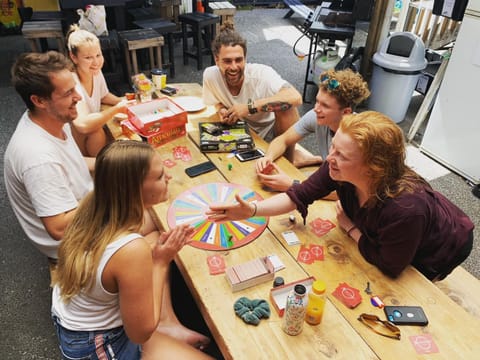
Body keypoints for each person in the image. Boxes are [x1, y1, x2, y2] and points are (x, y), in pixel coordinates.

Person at [207, 111, 474, 281]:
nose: (328, 159)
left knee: (417, 283)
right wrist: (252, 210)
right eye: (332, 148)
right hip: (403, 230)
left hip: (443, 245)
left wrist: (351, 228)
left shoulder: (405, 209)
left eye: (341, 155)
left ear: (373, 167)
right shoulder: (337, 170)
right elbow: (299, 194)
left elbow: (390, 265)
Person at [52, 140, 212, 359]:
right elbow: (140, 333)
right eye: (158, 176)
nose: (168, 178)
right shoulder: (130, 249)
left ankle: (166, 325)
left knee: (154, 237)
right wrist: (161, 261)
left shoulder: (94, 204)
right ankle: (161, 328)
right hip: (97, 343)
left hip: (72, 322)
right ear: (133, 189)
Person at [5, 51, 94, 260]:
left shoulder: (48, 120)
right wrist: (110, 193)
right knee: (156, 219)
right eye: (68, 93)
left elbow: (69, 165)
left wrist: (112, 164)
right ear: (39, 101)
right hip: (74, 244)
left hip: (82, 210)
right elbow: (59, 228)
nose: (78, 97)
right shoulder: (37, 156)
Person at [256, 69, 370, 192]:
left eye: (325, 105)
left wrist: (292, 185)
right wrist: (268, 157)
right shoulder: (317, 116)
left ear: (346, 112)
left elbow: (350, 194)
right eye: (317, 101)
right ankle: (316, 160)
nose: (316, 109)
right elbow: (283, 140)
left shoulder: (358, 138)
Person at [203, 23, 302, 160]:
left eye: (239, 60)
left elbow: (295, 97)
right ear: (216, 60)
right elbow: (217, 101)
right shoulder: (210, 75)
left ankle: (289, 160)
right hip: (240, 130)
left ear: (245, 58)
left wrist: (249, 108)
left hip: (272, 132)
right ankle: (300, 159)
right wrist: (222, 110)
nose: (234, 67)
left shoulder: (262, 74)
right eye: (227, 61)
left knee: (287, 107)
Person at [67, 25, 131, 157]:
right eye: (88, 58)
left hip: (92, 132)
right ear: (73, 57)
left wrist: (125, 102)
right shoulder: (71, 82)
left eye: (98, 55)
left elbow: (103, 96)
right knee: (98, 133)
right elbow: (82, 124)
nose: (96, 62)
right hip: (75, 143)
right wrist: (117, 109)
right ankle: (98, 170)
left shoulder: (95, 71)